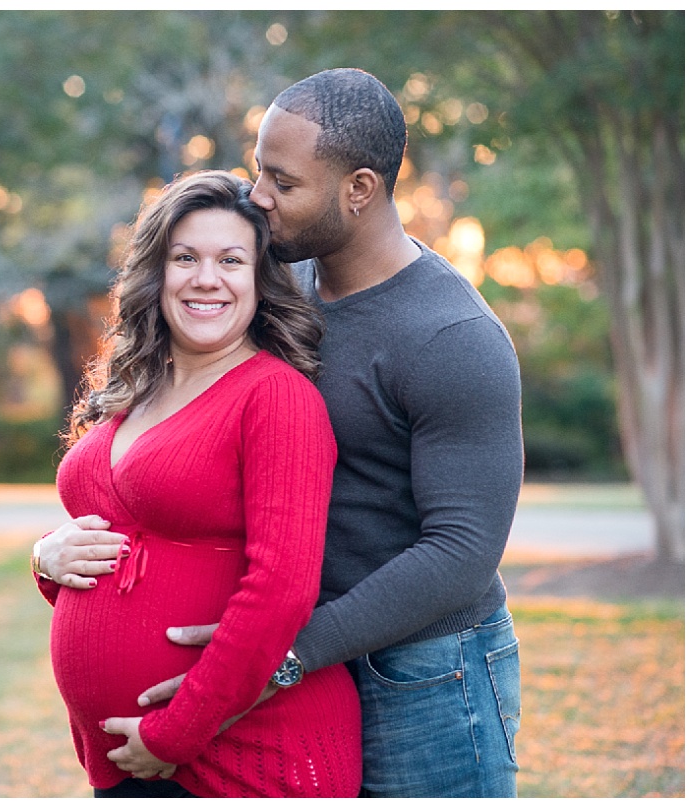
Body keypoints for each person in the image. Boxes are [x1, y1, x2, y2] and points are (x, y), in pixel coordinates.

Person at [34, 68, 524, 798]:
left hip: (425, 666)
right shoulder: (283, 287)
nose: (257, 195)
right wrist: (55, 553)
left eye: (282, 182)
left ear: (358, 189)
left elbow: (460, 553)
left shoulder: (451, 338)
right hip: (299, 654)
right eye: (260, 168)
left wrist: (288, 656)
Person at [33, 169, 362, 798]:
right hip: (139, 756)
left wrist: (177, 732)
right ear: (157, 274)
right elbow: (126, 550)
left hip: (244, 753)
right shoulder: (135, 389)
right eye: (185, 257)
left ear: (260, 283)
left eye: (230, 260)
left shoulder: (276, 397)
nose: (205, 278)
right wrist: (47, 559)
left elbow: (283, 588)